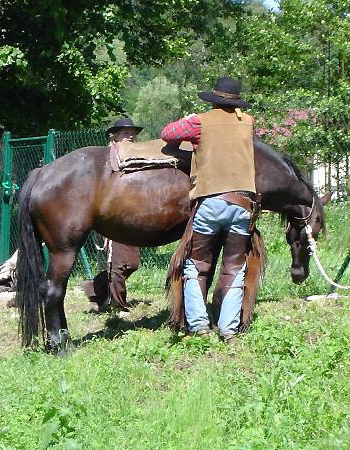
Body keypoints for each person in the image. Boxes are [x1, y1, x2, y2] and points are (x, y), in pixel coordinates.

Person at [161, 77, 259, 343]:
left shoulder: (199, 122)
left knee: (196, 266)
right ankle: (228, 329)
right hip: (243, 205)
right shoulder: (248, 122)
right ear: (237, 100)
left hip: (211, 203)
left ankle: (199, 325)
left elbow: (167, 134)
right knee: (234, 268)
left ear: (213, 100)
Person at [81, 118, 143, 311]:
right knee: (119, 263)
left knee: (132, 263)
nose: (130, 136)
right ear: (114, 136)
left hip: (131, 216)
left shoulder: (134, 155)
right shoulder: (108, 158)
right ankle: (118, 305)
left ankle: (94, 288)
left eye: (132, 133)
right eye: (125, 133)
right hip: (112, 217)